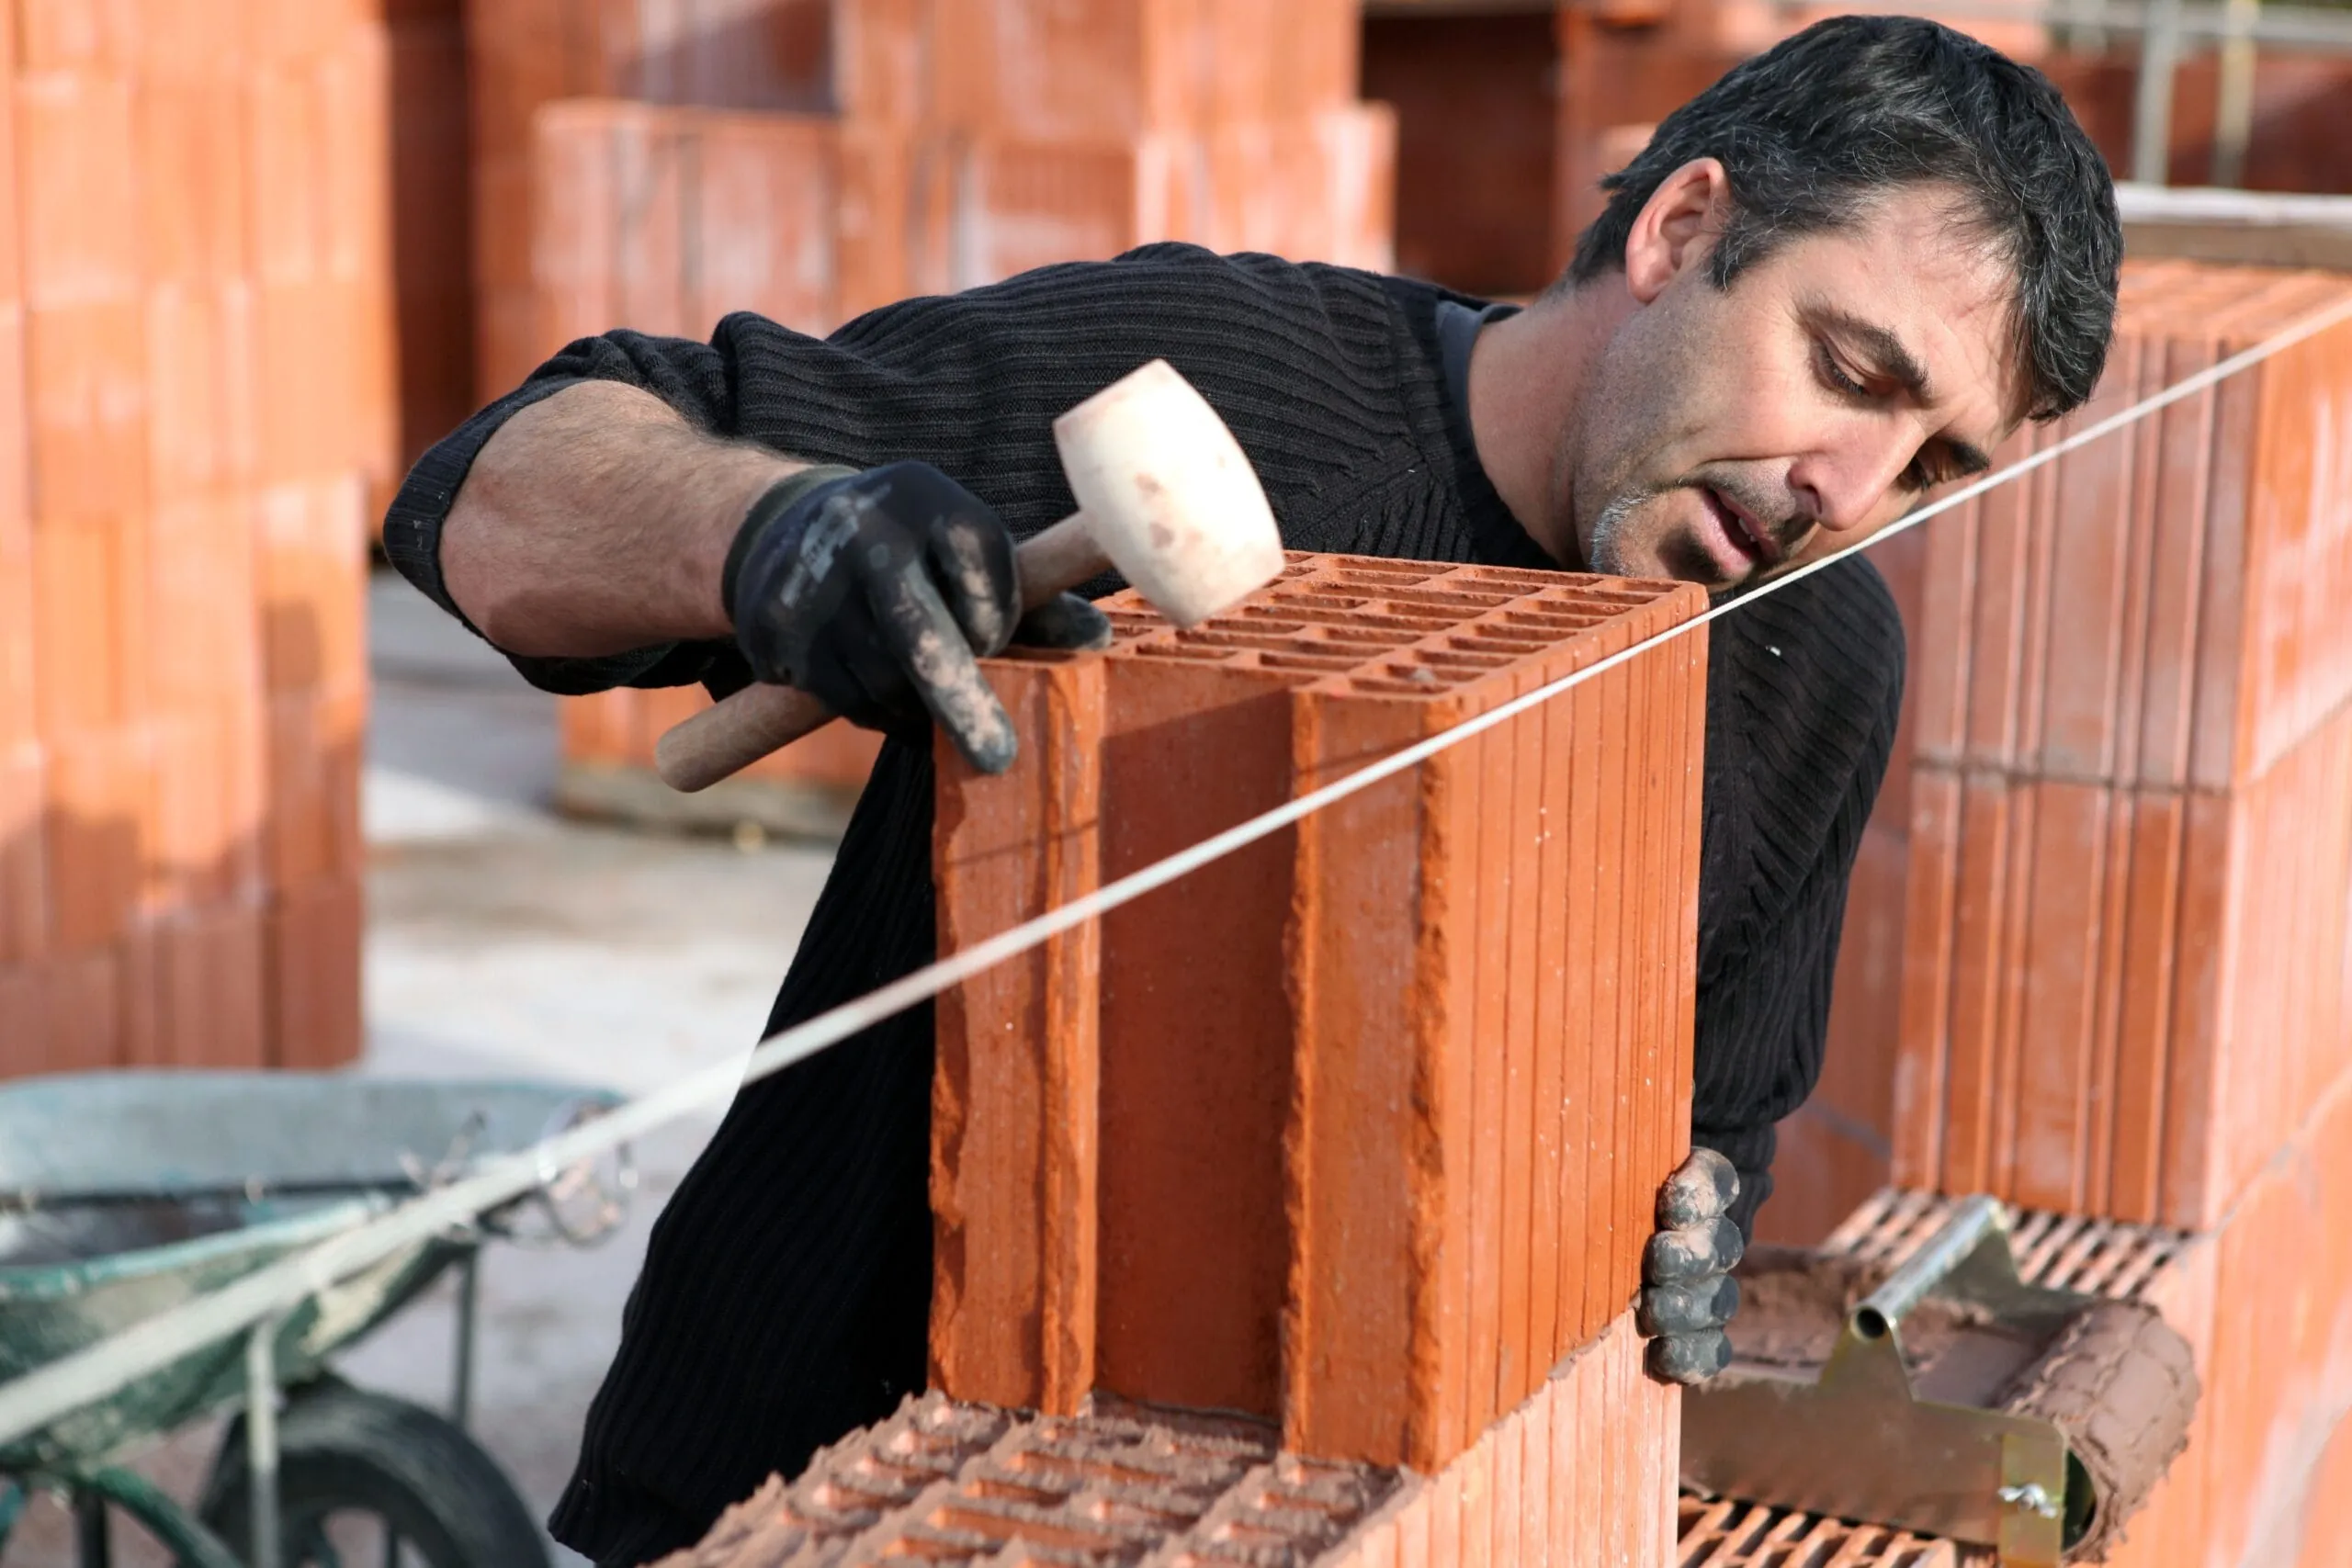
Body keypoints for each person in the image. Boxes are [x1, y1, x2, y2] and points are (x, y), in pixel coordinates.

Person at [383, 15, 2120, 1564]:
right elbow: (488, 500)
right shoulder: (1216, 386)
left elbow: (1716, 1125)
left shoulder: (1820, 662)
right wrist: (763, 532)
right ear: (1682, 231)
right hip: (790, 1480)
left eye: (1936, 461)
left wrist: (1685, 1233)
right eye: (1852, 371)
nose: (1851, 486)